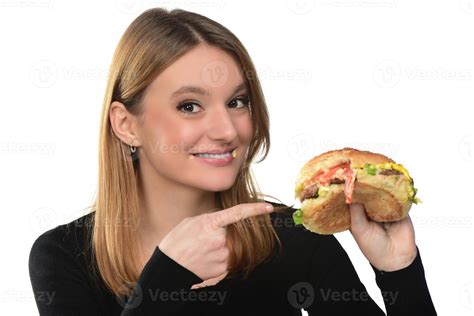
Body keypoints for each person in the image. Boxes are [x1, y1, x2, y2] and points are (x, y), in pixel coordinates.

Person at [28, 7, 437, 316]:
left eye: (237, 102)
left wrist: (399, 270)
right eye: (189, 106)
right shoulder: (64, 255)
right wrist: (164, 278)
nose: (227, 129)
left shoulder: (294, 238)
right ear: (125, 124)